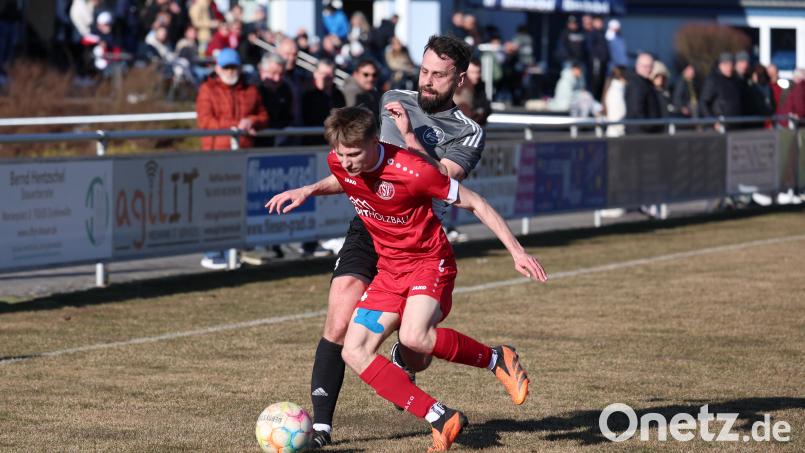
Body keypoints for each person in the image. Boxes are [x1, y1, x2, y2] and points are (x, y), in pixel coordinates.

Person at [266, 106, 548, 451]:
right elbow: (344, 178)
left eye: (354, 154)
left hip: (429, 263)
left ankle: (496, 358)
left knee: (415, 337)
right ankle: (441, 418)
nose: (347, 161)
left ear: (375, 141)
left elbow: (475, 202)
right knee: (353, 351)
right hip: (389, 271)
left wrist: (517, 252)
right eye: (340, 154)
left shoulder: (413, 170)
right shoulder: (340, 160)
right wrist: (308, 190)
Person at [270, 35, 487, 449]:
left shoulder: (468, 133)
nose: (427, 80)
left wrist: (409, 137)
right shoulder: (393, 98)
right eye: (423, 70)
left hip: (416, 242)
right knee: (337, 321)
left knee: (417, 348)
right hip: (369, 229)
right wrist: (309, 189)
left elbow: (433, 181)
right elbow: (362, 163)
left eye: (438, 75)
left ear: (458, 79)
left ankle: (410, 362)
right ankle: (321, 428)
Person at [196, 48, 268, 269]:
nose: (230, 71)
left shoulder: (251, 90)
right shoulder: (207, 89)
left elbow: (264, 116)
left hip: (244, 156)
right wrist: (234, 127)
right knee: (216, 207)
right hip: (217, 156)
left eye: (233, 67)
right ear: (217, 69)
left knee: (240, 207)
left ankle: (235, 251)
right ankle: (212, 252)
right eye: (226, 67)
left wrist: (252, 121)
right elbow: (205, 122)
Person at [700, 52, 743, 130]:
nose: (729, 68)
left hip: (735, 125)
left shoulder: (736, 80)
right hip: (719, 127)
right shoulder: (713, 80)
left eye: (731, 65)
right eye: (726, 65)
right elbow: (703, 102)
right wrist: (713, 121)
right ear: (720, 65)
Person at [625, 52, 662, 134]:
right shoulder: (636, 84)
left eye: (651, 66)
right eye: (645, 66)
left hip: (646, 132)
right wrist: (649, 126)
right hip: (640, 134)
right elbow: (636, 109)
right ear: (637, 66)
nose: (648, 69)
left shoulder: (646, 83)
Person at [453, 57, 492, 126]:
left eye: (478, 72)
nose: (476, 75)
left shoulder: (480, 85)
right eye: (472, 72)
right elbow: (465, 114)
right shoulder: (462, 87)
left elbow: (486, 108)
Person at [603, 65, 627, 137]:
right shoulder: (616, 92)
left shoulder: (612, 88)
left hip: (613, 131)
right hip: (617, 134)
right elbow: (619, 114)